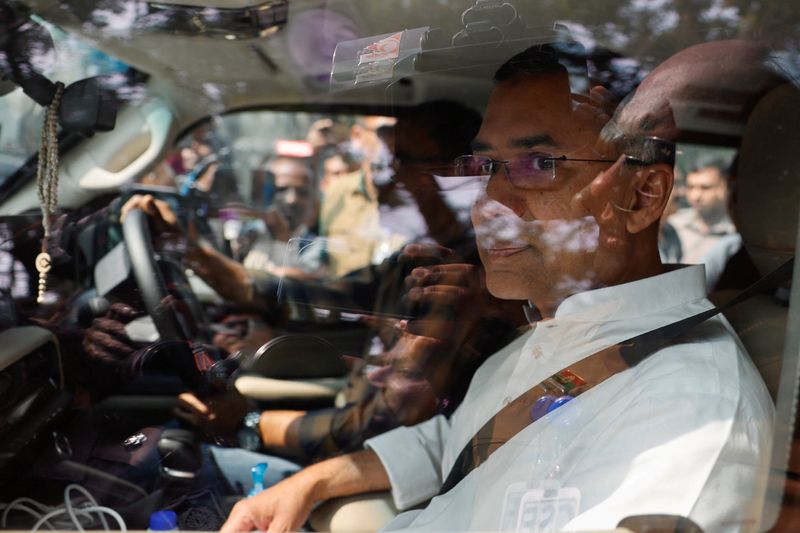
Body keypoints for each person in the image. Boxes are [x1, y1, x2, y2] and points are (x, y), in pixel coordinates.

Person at [220, 43, 773, 533]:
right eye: (488, 165)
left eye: (537, 164)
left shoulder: (686, 411)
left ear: (643, 195)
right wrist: (311, 484)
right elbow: (458, 442)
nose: (489, 205)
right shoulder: (554, 333)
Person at [668, 156, 739, 289]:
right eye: (691, 187)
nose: (696, 196)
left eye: (705, 188)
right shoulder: (673, 224)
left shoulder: (735, 235)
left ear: (724, 187)